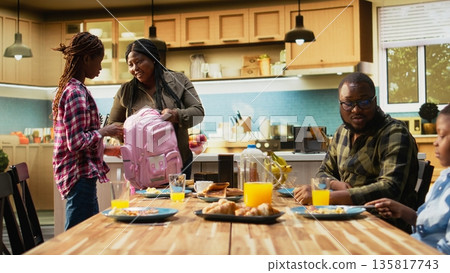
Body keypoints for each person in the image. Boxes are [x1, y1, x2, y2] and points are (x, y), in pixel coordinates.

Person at [294, 72, 419, 232]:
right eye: (348, 103)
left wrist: (326, 197)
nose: (356, 110)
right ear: (340, 104)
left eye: (364, 102)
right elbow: (323, 172)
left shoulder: (394, 134)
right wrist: (335, 184)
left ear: (374, 101)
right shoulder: (341, 132)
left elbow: (390, 188)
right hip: (344, 219)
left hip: (382, 225)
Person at [52, 32, 123, 230]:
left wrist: (106, 149)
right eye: (98, 61)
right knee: (77, 237)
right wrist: (105, 131)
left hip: (81, 174)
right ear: (86, 59)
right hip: (78, 175)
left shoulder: (76, 89)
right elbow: (75, 143)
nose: (100, 67)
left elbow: (81, 138)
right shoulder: (75, 93)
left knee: (90, 233)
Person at [107, 39, 205, 179]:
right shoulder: (126, 91)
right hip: (142, 166)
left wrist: (175, 115)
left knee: (177, 201)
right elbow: (112, 124)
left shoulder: (178, 81)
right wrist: (134, 129)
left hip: (178, 163)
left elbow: (198, 113)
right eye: (131, 64)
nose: (135, 68)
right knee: (143, 201)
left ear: (153, 59)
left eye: (139, 61)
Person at [366, 104, 450, 254]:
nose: (435, 142)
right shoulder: (444, 179)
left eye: (442, 136)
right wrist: (403, 211)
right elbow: (429, 225)